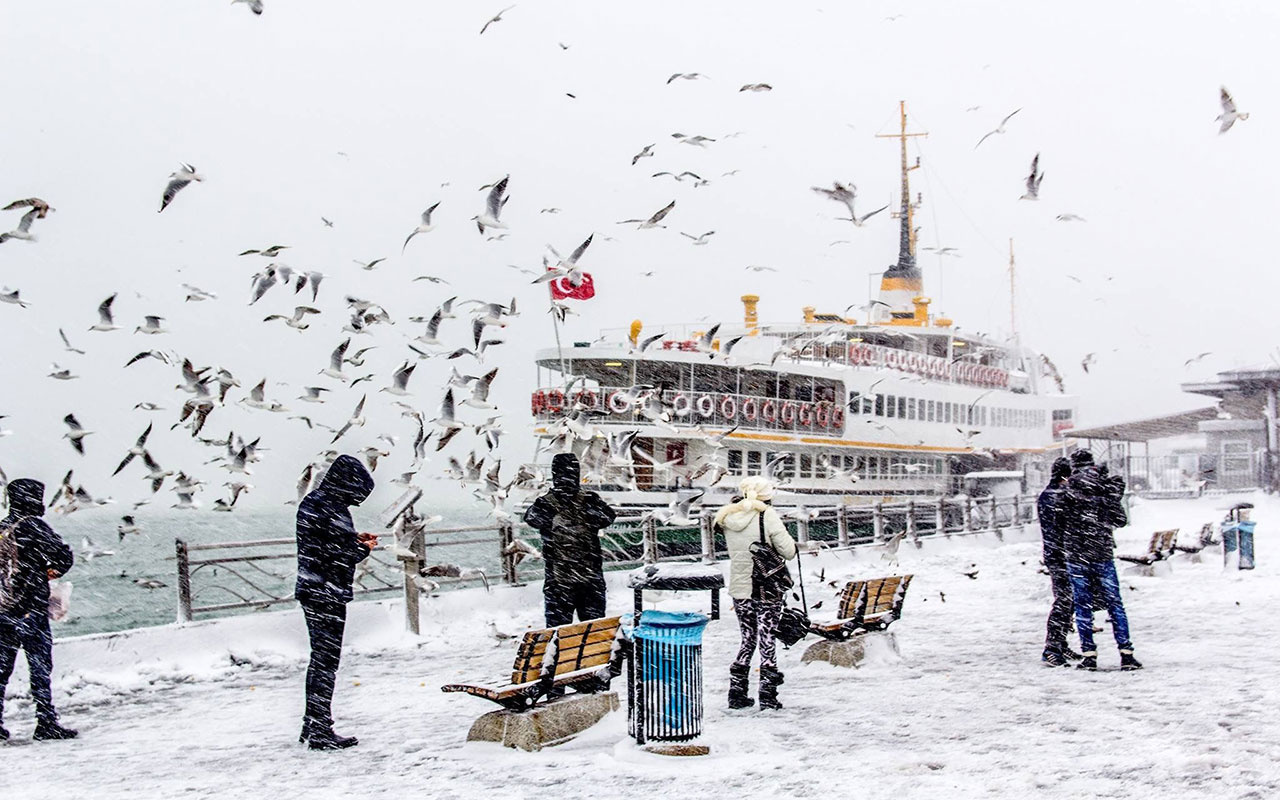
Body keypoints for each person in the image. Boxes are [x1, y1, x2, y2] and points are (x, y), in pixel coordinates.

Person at [295, 455, 377, 750]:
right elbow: (336, 554)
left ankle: (312, 723)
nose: (356, 502)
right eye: (356, 495)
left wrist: (353, 538)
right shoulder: (331, 507)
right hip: (326, 593)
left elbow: (323, 543)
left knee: (320, 660)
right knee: (326, 662)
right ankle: (319, 730)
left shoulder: (316, 502)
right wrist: (361, 548)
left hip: (313, 589)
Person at [0, 478, 77, 741]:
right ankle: (46, 722)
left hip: (2, 610)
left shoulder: (2, 527)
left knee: (1, 670)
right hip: (30, 610)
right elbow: (64, 556)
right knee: (40, 668)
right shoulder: (33, 526)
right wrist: (44, 573)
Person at [714, 476, 796, 710]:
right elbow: (788, 551)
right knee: (767, 640)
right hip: (765, 587)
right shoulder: (766, 514)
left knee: (748, 639)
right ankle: (768, 696)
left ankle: (737, 693)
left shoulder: (727, 517)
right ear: (766, 495)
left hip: (740, 588)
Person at [1061, 450, 1142, 671]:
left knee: (1082, 605)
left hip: (1076, 555)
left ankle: (1089, 655)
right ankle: (1126, 654)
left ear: (1074, 465)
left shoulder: (1067, 489)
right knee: (1115, 604)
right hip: (1102, 553)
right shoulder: (1104, 487)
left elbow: (1059, 522)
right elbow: (1120, 520)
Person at [523, 453, 616, 627]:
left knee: (557, 632)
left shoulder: (544, 504)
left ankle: (560, 654)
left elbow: (530, 519)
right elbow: (609, 517)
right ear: (577, 473)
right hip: (591, 581)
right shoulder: (590, 500)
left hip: (558, 582)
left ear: (554, 474)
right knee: (593, 631)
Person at [1037, 457, 1081, 667]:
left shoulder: (1051, 494)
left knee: (1067, 600)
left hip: (1058, 554)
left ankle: (1060, 643)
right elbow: (1060, 528)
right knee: (1064, 600)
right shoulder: (1055, 497)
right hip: (1060, 555)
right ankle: (1052, 647)